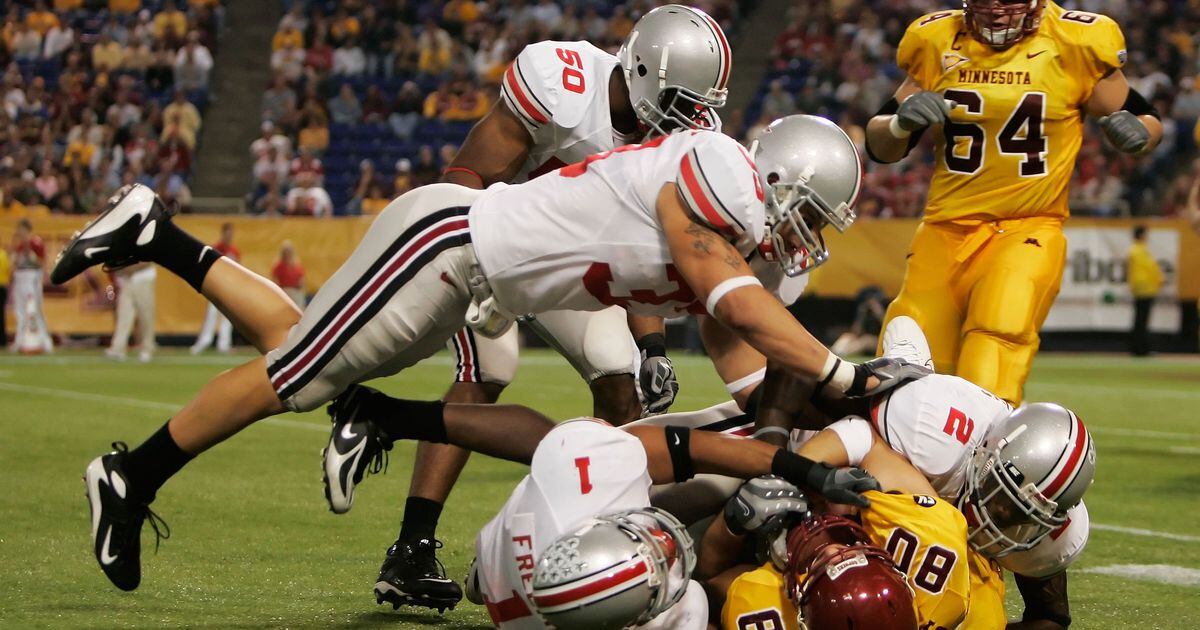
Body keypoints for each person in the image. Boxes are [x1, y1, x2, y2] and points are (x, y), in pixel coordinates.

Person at [56, 115, 888, 594]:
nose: (806, 239)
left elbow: (732, 344)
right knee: (297, 378)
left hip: (477, 281)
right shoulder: (718, 170)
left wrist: (788, 434)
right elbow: (726, 296)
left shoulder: (745, 228)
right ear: (777, 179)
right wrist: (843, 374)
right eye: (810, 215)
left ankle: (154, 233)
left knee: (305, 356)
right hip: (449, 246)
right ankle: (131, 477)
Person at [370, 7, 737, 607]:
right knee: (488, 369)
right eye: (680, 98)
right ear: (641, 67)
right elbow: (467, 173)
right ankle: (411, 548)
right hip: (486, 242)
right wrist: (475, 270)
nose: (689, 118)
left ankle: (604, 541)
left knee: (620, 378)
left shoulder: (662, 141)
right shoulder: (562, 84)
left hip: (565, 265)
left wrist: (653, 346)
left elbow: (630, 253)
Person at [315, 389, 880, 627]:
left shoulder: (581, 484)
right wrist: (749, 517)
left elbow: (681, 449)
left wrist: (791, 466)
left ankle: (387, 415)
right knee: (723, 507)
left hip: (511, 559)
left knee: (571, 442)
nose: (667, 544)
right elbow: (706, 576)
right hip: (504, 568)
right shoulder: (670, 615)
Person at [867, 1, 1164, 405]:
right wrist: (900, 123)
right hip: (945, 229)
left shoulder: (1073, 41)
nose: (997, 12)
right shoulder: (936, 39)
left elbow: (1144, 116)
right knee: (905, 368)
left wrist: (1141, 133)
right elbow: (879, 144)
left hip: (1027, 225)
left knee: (997, 339)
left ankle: (981, 457)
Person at [190, 223, 238, 354]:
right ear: (223, 234)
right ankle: (203, 342)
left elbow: (238, 270)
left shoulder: (234, 251)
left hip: (229, 287)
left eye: (231, 233)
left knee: (227, 317)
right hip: (216, 285)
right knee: (211, 315)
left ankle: (224, 344)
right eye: (227, 233)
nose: (229, 236)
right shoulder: (216, 249)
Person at [10, 219, 52, 353]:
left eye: (21, 229)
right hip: (20, 278)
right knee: (20, 312)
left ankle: (46, 342)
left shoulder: (36, 242)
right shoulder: (19, 245)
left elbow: (42, 262)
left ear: (27, 229)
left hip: (32, 278)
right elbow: (15, 263)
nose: (19, 232)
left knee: (35, 311)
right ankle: (20, 341)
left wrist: (31, 254)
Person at [106, 263, 156, 362]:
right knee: (124, 314)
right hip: (126, 280)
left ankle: (147, 349)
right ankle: (118, 348)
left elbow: (148, 261)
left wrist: (130, 268)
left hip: (143, 279)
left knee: (145, 316)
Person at [1127, 225, 1163, 356]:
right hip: (1144, 288)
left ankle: (1139, 347)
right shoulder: (1138, 251)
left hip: (1143, 287)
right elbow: (1148, 269)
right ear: (1141, 235)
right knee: (1141, 319)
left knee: (1141, 319)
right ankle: (1140, 348)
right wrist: (1159, 279)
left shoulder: (1139, 250)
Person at [271, 240, 305, 308]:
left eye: (289, 251)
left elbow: (301, 280)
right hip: (283, 293)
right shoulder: (278, 266)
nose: (287, 253)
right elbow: (275, 282)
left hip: (295, 293)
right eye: (286, 251)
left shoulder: (297, 265)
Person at [0, 245, 9, 345]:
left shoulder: (2, 255)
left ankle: (2, 340)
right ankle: (2, 340)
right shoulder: (3, 254)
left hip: (1, 287)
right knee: (1, 315)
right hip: (3, 287)